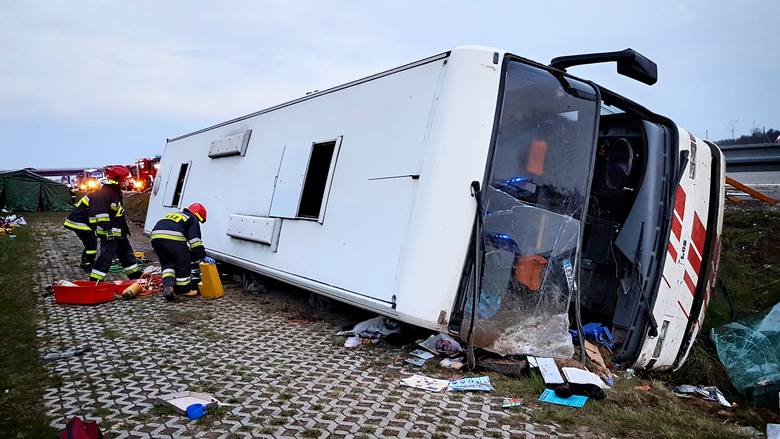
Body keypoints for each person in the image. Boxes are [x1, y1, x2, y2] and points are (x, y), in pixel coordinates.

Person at [88, 166, 142, 282]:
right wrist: (108, 230)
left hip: (119, 232)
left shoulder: (114, 191)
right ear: (118, 179)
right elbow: (100, 214)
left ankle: (135, 277)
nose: (126, 182)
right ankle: (95, 282)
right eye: (125, 179)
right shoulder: (104, 194)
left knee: (127, 256)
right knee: (106, 258)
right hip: (110, 233)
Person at [150, 202, 212, 302]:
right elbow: (195, 241)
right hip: (172, 238)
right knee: (183, 262)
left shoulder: (176, 214)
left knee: (167, 264)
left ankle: (168, 286)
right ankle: (184, 290)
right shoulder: (192, 219)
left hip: (155, 238)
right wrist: (203, 256)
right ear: (198, 215)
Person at [63, 193, 98, 272]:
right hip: (79, 222)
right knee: (92, 245)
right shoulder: (98, 199)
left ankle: (86, 262)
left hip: (76, 220)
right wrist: (95, 228)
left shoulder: (94, 196)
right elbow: (92, 216)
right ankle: (87, 264)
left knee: (89, 244)